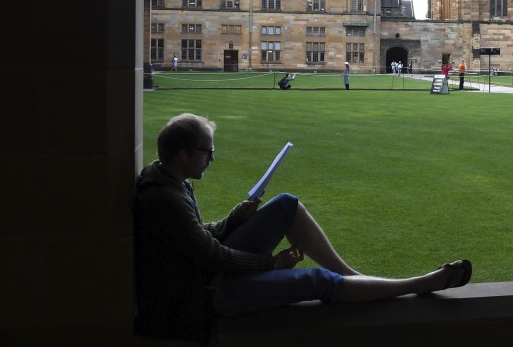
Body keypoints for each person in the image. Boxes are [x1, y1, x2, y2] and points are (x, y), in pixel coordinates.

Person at [134, 113, 472, 345]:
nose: (213, 158)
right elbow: (212, 257)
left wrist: (235, 218)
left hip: (204, 274)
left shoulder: (168, 176)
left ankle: (352, 277)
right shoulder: (165, 197)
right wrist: (275, 263)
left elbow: (196, 237)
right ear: (182, 154)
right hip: (201, 297)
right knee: (318, 280)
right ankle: (420, 283)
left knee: (286, 204)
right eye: (208, 151)